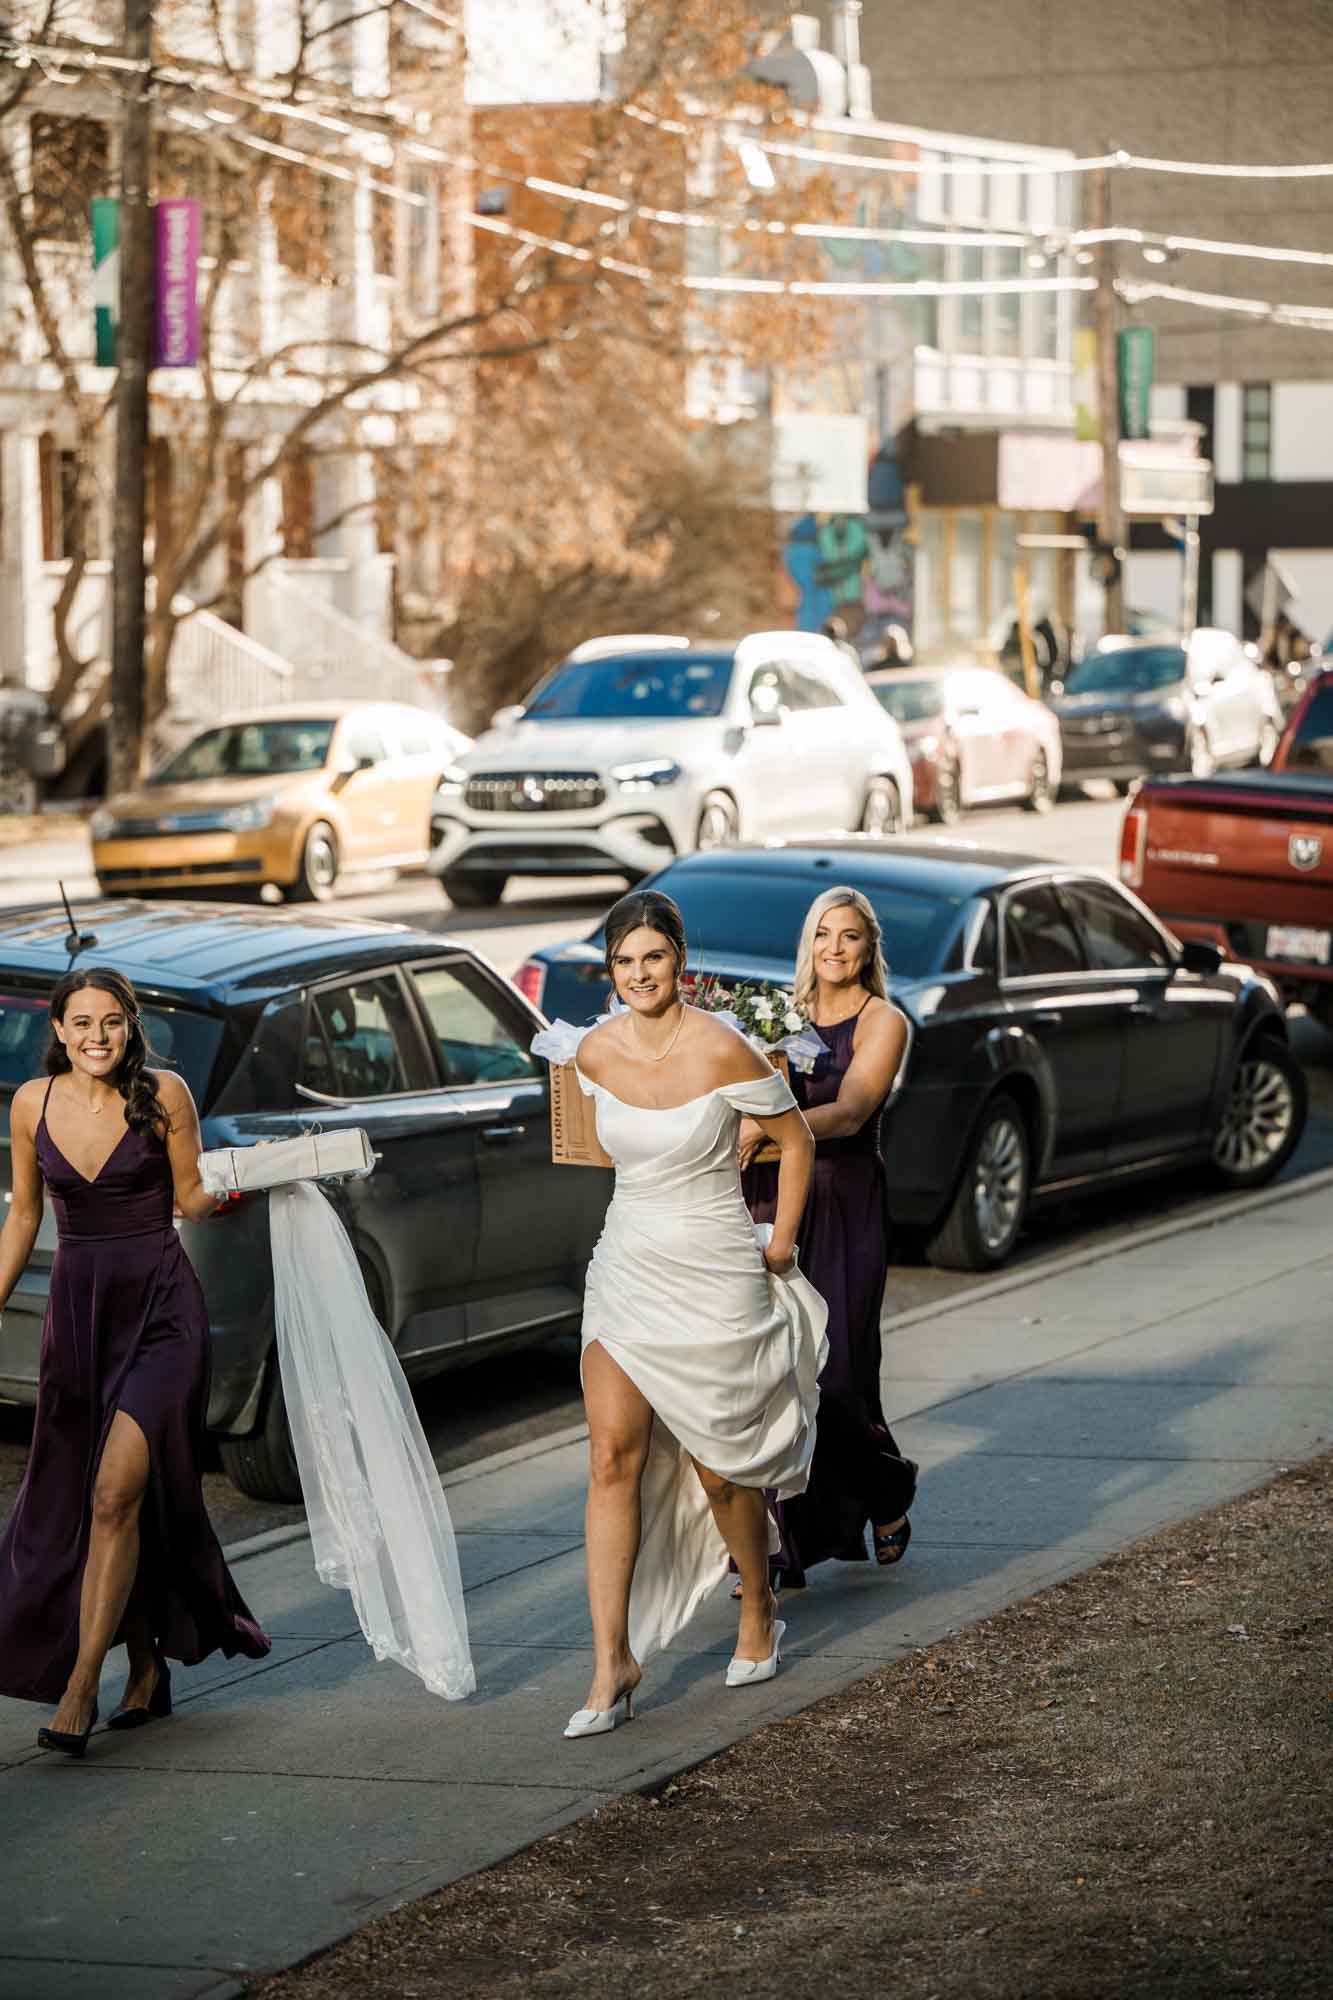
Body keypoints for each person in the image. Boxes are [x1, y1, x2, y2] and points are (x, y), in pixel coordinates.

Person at [539, 890, 825, 1740]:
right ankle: (610, 1662)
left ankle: (757, 1604)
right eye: (623, 963)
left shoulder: (724, 1048)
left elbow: (797, 1139)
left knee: (718, 1467)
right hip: (627, 1265)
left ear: (679, 963)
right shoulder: (590, 1052)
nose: (637, 975)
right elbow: (602, 1149)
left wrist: (781, 1245)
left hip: (714, 1267)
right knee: (609, 1456)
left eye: (651, 959)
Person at [0, 968, 269, 1756]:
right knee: (112, 1503)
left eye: (111, 1023)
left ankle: (80, 1687)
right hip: (78, 1322)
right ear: (56, 1029)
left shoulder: (166, 1094)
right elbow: (23, 1213)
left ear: (131, 1027)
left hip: (161, 1314)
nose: (96, 1036)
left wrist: (231, 1193)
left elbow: (188, 1197)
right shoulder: (30, 1104)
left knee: (117, 1493)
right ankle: (147, 1665)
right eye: (81, 1022)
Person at [740, 887, 917, 1590]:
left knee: (838, 1370)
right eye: (822, 936)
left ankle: (884, 1490)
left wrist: (770, 1130)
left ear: (869, 948)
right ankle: (781, 1549)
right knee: (772, 1375)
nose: (834, 949)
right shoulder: (774, 1018)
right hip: (770, 1195)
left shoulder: (885, 1021)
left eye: (848, 937)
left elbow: (847, 1113)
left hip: (843, 1198)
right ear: (807, 945)